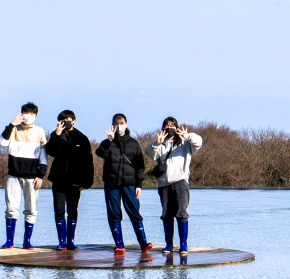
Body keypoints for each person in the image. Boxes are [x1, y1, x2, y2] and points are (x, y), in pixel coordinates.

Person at [146, 116, 202, 256]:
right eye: (167, 125)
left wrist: (187, 136)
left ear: (176, 128)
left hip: (180, 182)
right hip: (164, 183)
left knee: (181, 213)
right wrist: (157, 143)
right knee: (166, 214)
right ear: (163, 128)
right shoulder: (160, 144)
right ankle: (169, 244)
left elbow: (199, 142)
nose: (169, 128)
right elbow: (149, 153)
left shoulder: (184, 143)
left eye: (172, 125)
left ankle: (183, 244)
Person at [96, 113, 151, 255]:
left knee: (134, 212)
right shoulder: (108, 142)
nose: (119, 126)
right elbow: (100, 153)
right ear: (112, 126)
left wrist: (139, 185)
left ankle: (144, 243)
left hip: (130, 184)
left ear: (126, 124)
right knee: (114, 213)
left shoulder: (134, 143)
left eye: (121, 123)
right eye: (116, 124)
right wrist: (109, 141)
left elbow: (140, 166)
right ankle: (119, 244)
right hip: (112, 184)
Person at [0, 102, 49, 249]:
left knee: (31, 209)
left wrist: (41, 175)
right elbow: (2, 142)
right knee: (11, 208)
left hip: (32, 177)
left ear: (36, 116)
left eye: (32, 114)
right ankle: (9, 241)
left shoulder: (39, 131)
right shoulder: (13, 129)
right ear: (21, 114)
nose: (29, 116)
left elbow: (43, 157)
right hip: (13, 175)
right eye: (26, 113)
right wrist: (12, 124)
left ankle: (27, 241)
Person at [44, 110, 94, 250]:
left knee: (73, 210)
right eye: (63, 120)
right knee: (59, 209)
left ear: (74, 121)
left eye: (68, 120)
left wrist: (87, 182)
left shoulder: (82, 138)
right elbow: (50, 151)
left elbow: (88, 161)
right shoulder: (56, 135)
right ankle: (62, 241)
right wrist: (57, 135)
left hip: (75, 180)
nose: (66, 122)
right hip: (58, 179)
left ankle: (71, 241)